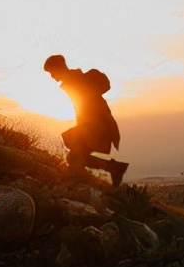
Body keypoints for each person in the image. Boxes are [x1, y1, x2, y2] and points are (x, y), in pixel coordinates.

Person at [43, 54, 128, 187]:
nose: (52, 77)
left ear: (59, 67)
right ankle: (113, 168)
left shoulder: (76, 80)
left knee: (75, 154)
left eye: (52, 72)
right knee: (75, 157)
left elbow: (89, 104)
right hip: (93, 124)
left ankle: (75, 180)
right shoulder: (73, 80)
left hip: (95, 125)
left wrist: (86, 126)